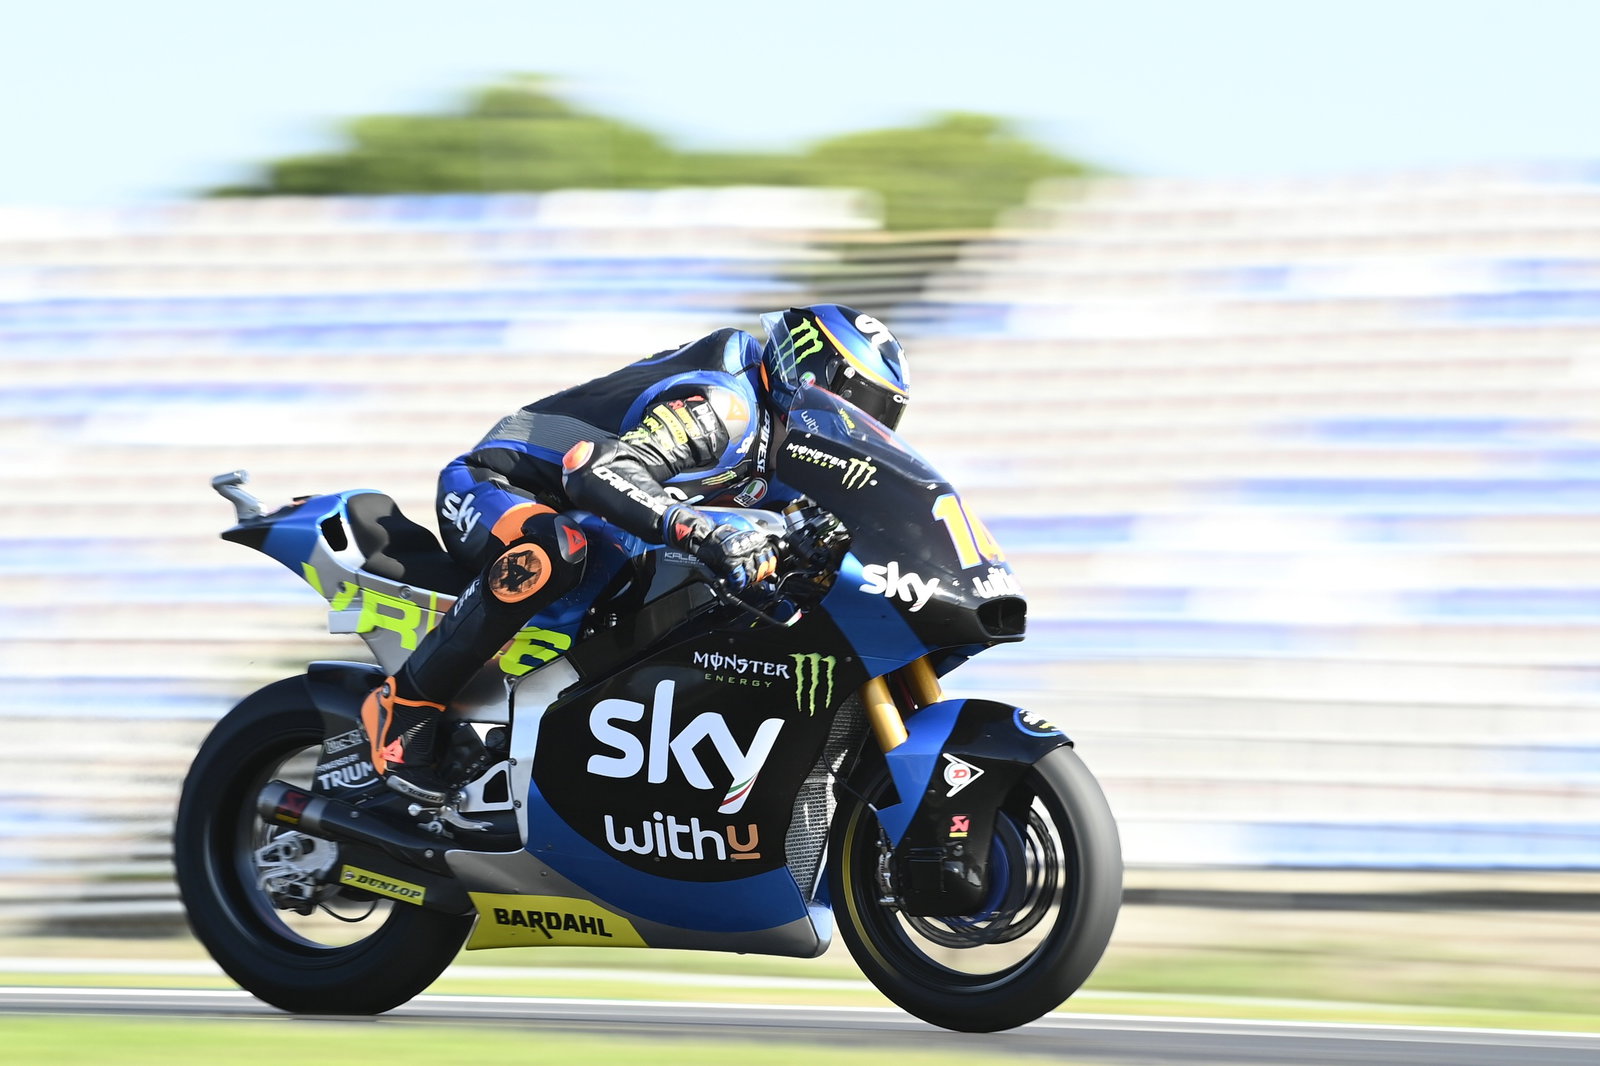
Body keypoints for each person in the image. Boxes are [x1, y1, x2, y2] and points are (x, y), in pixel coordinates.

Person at [361, 303, 910, 807]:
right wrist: (701, 532)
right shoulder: (726, 406)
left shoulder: (795, 453)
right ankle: (404, 707)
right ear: (811, 375)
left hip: (605, 522)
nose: (867, 422)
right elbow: (594, 469)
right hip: (502, 486)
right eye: (862, 401)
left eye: (883, 413)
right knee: (554, 551)